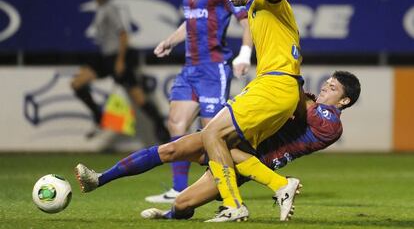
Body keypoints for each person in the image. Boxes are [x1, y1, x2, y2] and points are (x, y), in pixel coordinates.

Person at [74, 71, 361, 221]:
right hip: (238, 142)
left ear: (345, 101)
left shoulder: (331, 122)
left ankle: (275, 186)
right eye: (327, 83)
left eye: (333, 88)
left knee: (182, 203)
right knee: (171, 150)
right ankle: (99, 179)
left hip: (251, 159)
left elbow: (298, 107)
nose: (325, 87)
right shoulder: (308, 99)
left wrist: (289, 80)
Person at [197, 0, 304, 221]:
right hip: (279, 87)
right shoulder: (254, 10)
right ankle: (281, 184)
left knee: (210, 133)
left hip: (275, 84)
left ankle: (233, 205)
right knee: (226, 145)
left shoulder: (267, 0)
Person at [145, 0, 252, 203]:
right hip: (189, 67)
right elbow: (190, 21)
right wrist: (170, 40)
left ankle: (225, 185)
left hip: (213, 69)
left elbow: (246, 21)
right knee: (176, 124)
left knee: (212, 136)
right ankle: (178, 189)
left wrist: (244, 54)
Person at [71, 0, 170, 142]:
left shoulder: (111, 8)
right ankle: (98, 116)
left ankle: (161, 127)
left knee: (139, 99)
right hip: (106, 57)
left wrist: (120, 60)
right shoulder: (101, 9)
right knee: (77, 83)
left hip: (118, 56)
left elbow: (123, 34)